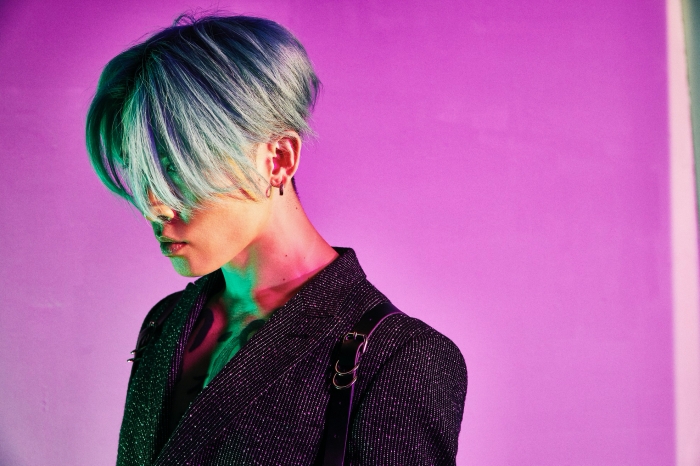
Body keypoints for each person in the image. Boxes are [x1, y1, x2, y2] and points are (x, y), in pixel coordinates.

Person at [86, 14, 467, 466]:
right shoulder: (166, 322)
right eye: (140, 173)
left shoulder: (399, 357)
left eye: (175, 168)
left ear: (279, 159)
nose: (154, 206)